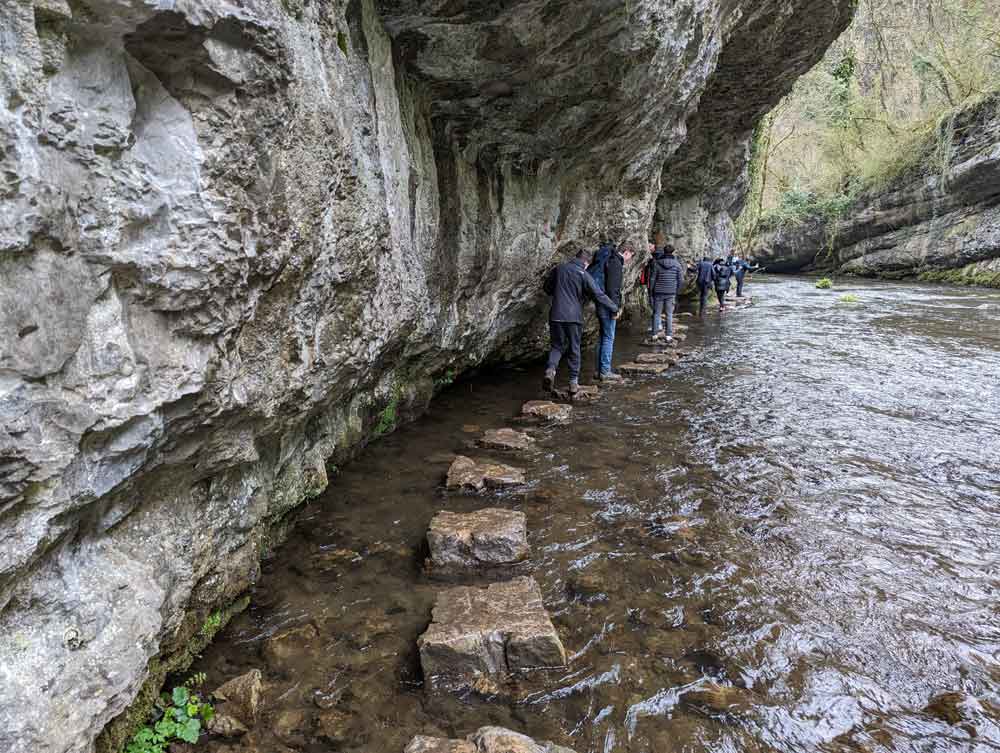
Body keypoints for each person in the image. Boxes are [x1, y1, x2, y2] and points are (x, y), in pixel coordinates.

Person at [543, 248, 619, 394]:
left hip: (556, 314)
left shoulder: (559, 269)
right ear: (586, 262)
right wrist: (614, 307)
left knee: (557, 346)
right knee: (574, 348)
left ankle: (550, 370)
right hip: (574, 317)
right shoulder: (583, 274)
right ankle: (573, 383)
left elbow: (546, 288)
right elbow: (598, 294)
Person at [592, 241, 634, 381]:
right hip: (608, 305)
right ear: (626, 252)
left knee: (602, 337)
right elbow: (613, 289)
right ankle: (605, 371)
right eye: (630, 256)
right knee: (608, 337)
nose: (629, 260)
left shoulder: (609, 259)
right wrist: (615, 309)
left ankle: (599, 370)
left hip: (601, 302)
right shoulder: (616, 263)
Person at [647, 244, 684, 339]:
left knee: (657, 313)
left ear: (664, 251)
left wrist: (651, 290)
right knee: (669, 314)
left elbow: (652, 279)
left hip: (658, 292)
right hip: (671, 292)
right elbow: (681, 280)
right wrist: (677, 291)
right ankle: (668, 335)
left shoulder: (657, 263)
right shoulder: (677, 264)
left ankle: (654, 334)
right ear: (673, 252)